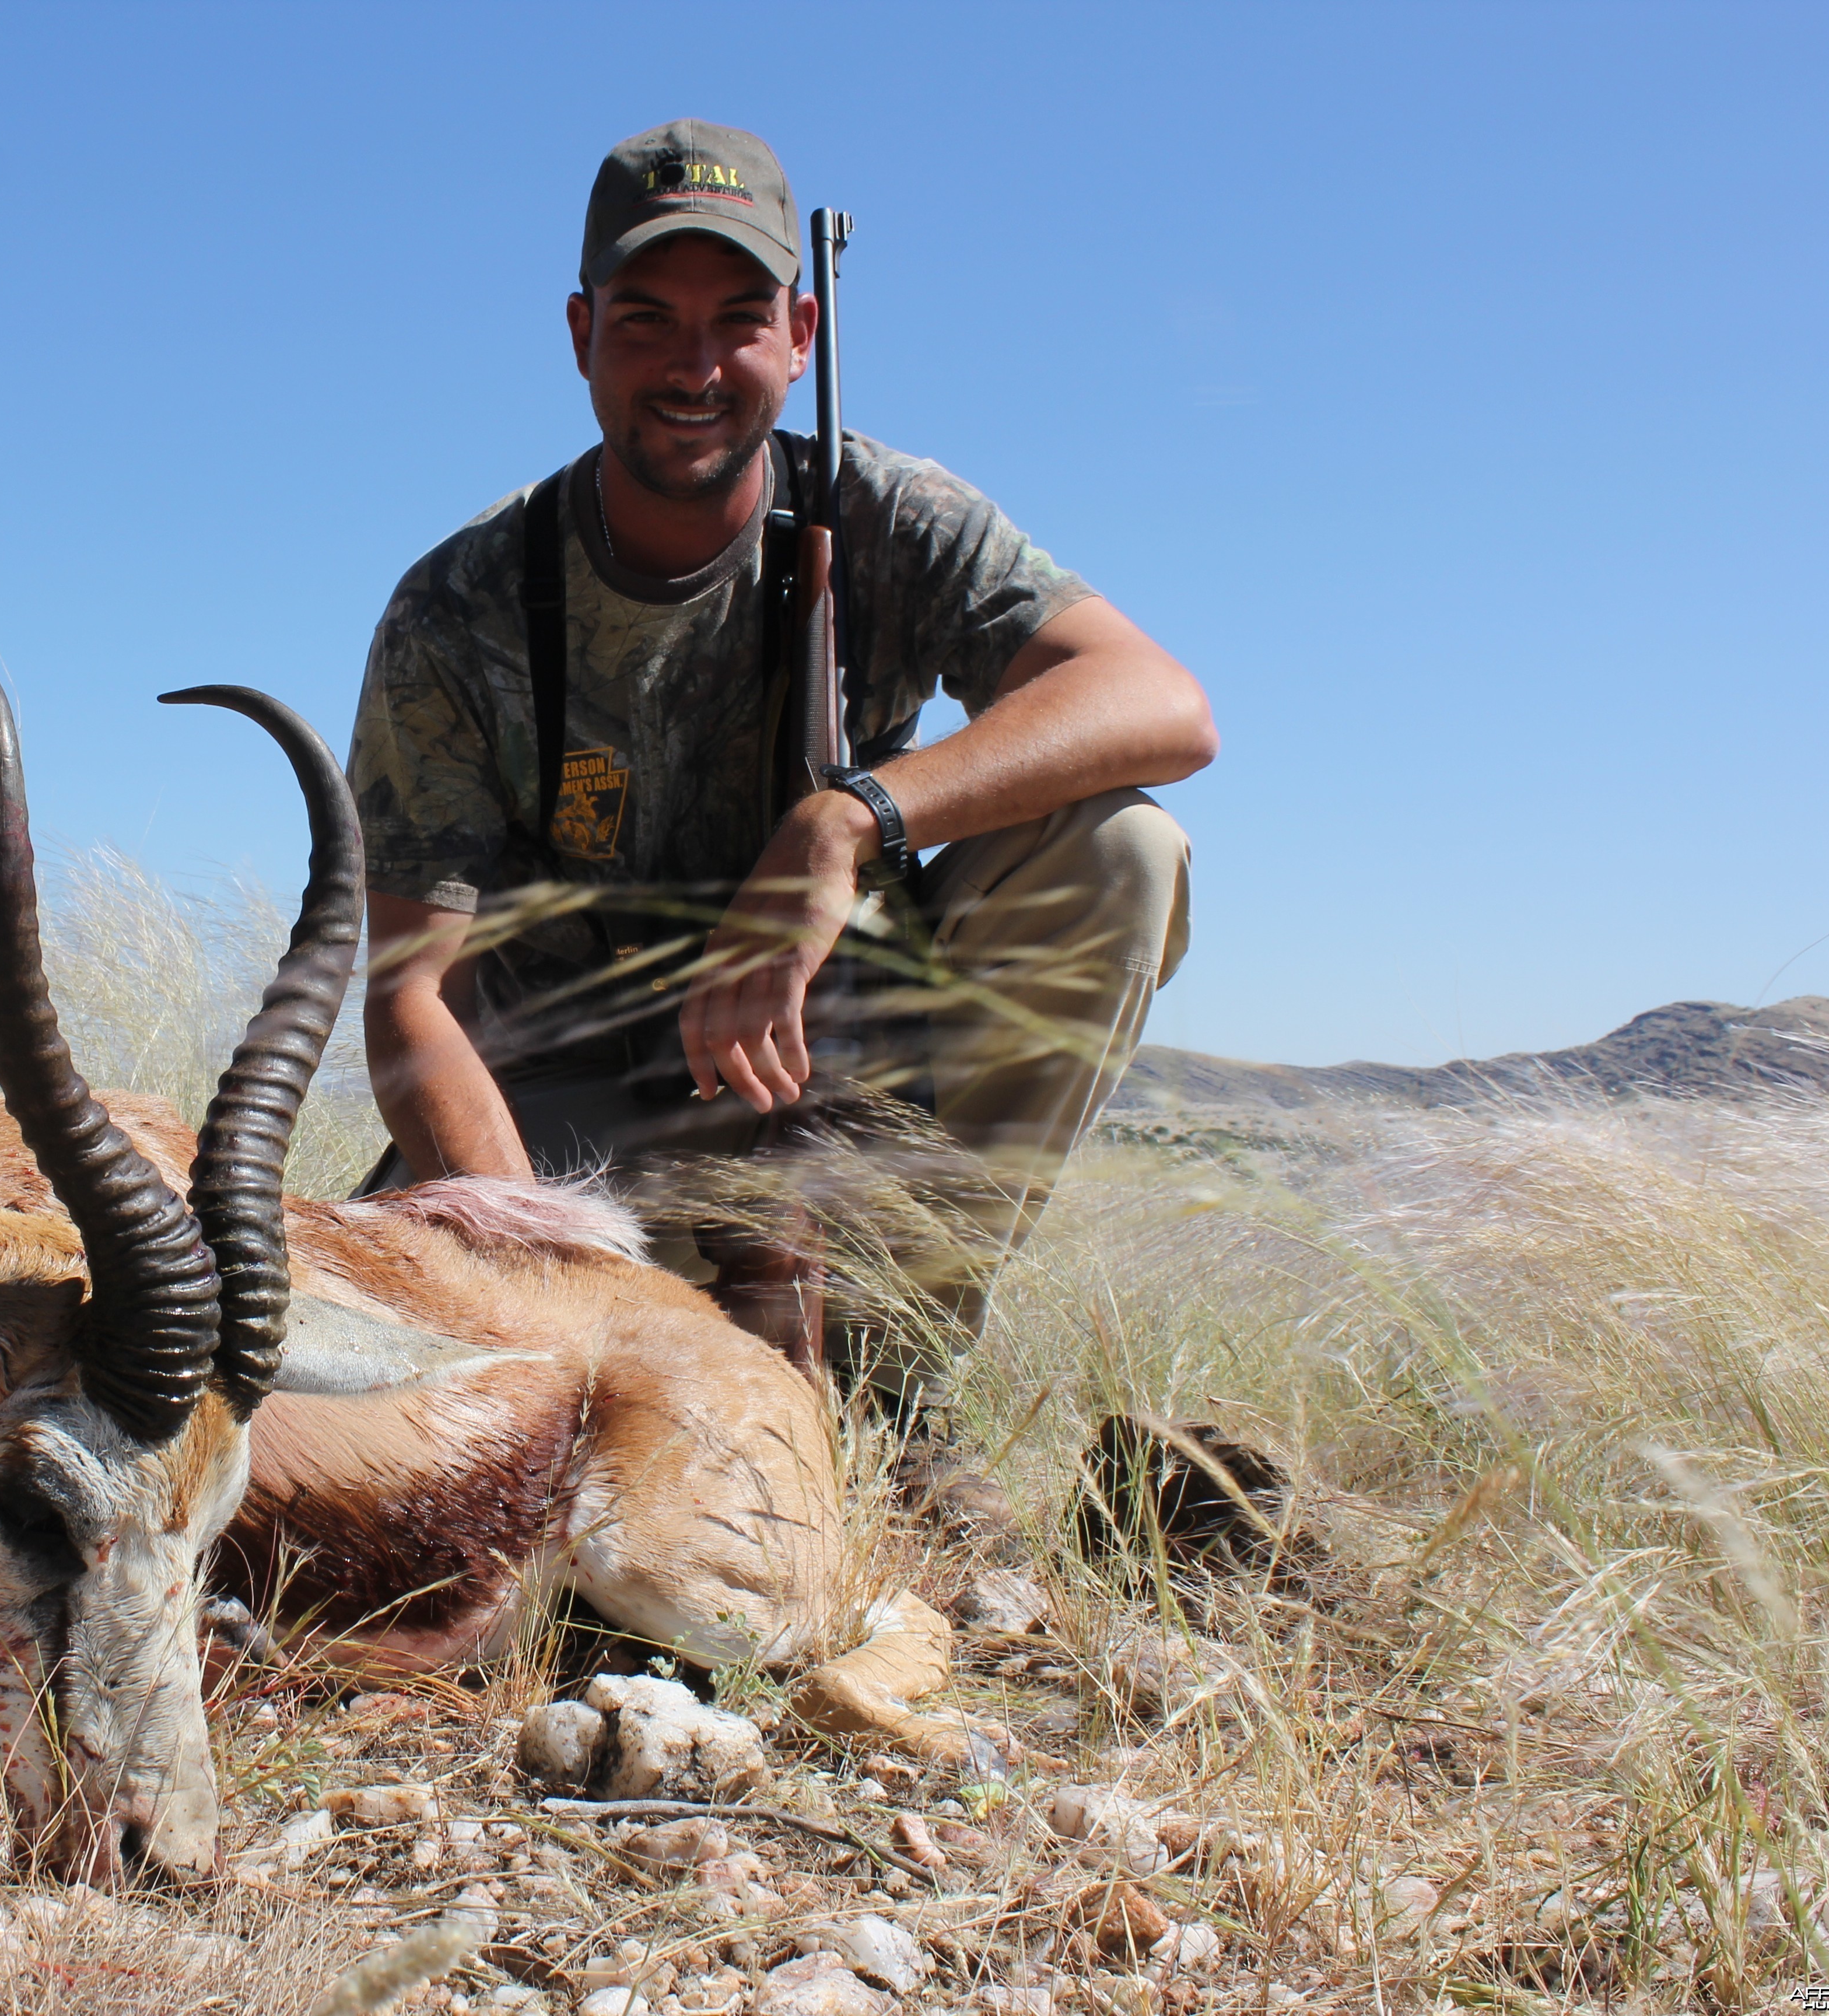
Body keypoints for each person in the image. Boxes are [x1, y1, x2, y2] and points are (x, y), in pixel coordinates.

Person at [345, 120, 1214, 1539]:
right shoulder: (461, 604)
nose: (694, 369)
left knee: (1126, 853)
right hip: (565, 1121)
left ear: (800, 332)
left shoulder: (883, 511)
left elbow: (1161, 702)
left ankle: (887, 1394)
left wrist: (849, 815)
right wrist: (551, 1274)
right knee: (381, 1427)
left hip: (838, 1061)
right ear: (579, 335)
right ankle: (592, 1369)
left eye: (737, 323)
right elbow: (412, 997)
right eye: (647, 322)